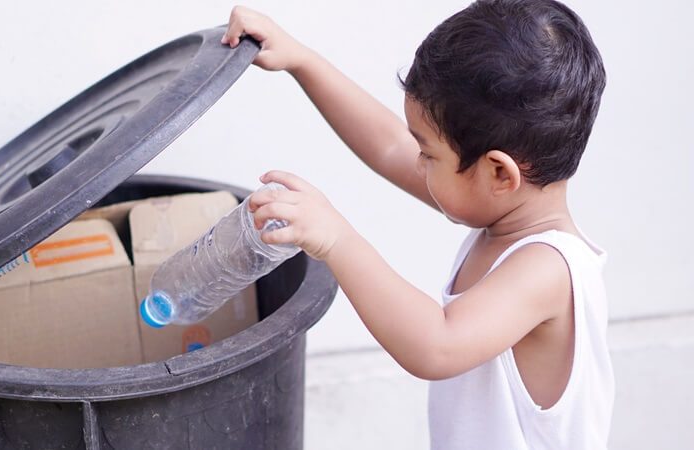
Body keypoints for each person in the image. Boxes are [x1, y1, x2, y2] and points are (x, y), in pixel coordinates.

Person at [225, 0, 614, 448]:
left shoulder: (548, 270)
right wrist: (302, 60)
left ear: (500, 174)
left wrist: (337, 240)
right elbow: (391, 146)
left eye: (428, 155)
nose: (418, 164)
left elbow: (437, 344)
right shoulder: (502, 208)